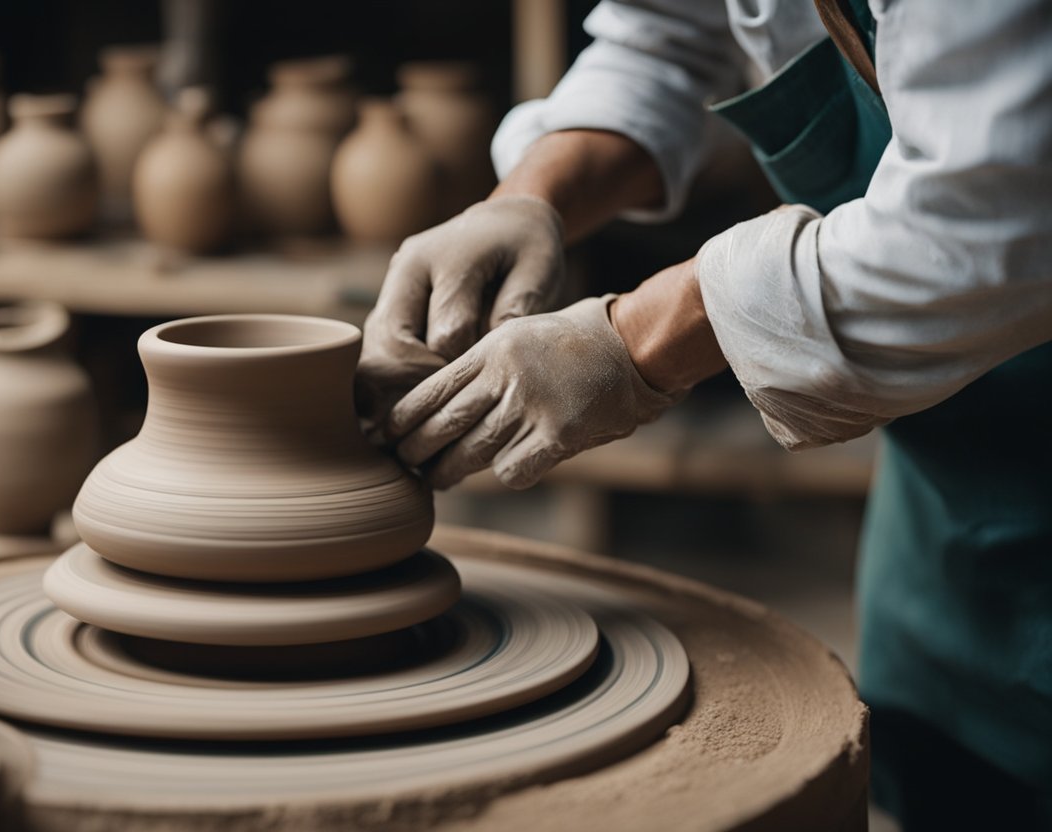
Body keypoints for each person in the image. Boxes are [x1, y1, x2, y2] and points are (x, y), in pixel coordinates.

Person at [357, 0, 1052, 828]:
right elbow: (672, 38)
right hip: (951, 489)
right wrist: (528, 197)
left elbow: (987, 224)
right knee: (946, 781)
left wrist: (633, 341)